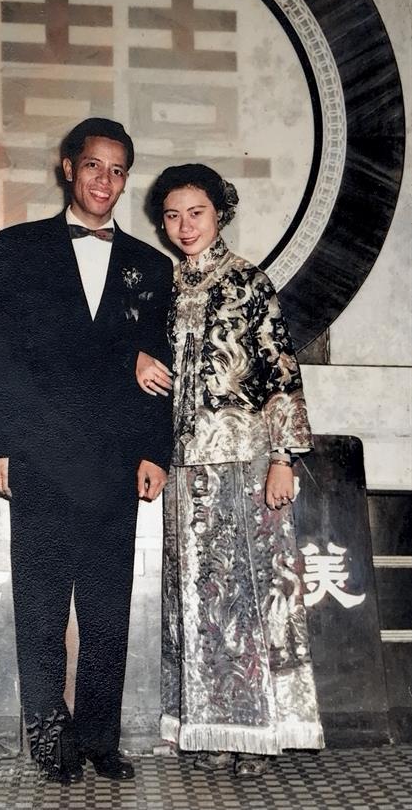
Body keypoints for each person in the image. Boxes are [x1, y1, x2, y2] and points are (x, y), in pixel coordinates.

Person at [0, 118, 173, 784]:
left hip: (115, 461)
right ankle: (48, 738)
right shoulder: (15, 248)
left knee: (107, 609)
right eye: (93, 166)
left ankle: (98, 737)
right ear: (68, 167)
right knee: (40, 607)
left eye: (118, 171)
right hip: (37, 454)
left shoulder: (151, 266)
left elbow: (158, 364)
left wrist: (155, 451)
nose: (105, 182)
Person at [137, 163, 324, 777]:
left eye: (197, 212)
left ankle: (257, 734)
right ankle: (214, 723)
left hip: (245, 463)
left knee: (250, 599)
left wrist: (282, 459)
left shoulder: (248, 281)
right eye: (172, 215)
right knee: (200, 602)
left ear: (220, 212)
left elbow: (280, 373)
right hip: (185, 470)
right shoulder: (165, 288)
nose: (184, 226)